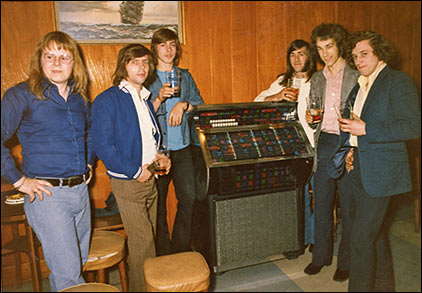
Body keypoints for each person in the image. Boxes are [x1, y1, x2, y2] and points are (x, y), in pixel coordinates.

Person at [1, 31, 94, 292]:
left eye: (64, 57)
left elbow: (90, 130)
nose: (56, 63)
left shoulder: (79, 97)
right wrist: (19, 180)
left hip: (80, 193)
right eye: (49, 56)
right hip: (47, 196)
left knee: (73, 268)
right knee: (69, 277)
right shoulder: (21, 95)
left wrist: (88, 162)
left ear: (74, 62)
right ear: (39, 60)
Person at [328, 31, 421, 292]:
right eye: (355, 56)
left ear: (380, 52)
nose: (358, 60)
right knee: (375, 236)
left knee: (360, 238)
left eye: (364, 54)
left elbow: (413, 126)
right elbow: (355, 124)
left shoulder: (398, 81)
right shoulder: (360, 84)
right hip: (357, 167)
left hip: (383, 172)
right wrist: (350, 147)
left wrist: (367, 130)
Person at [91, 44, 170, 291]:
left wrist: (161, 157)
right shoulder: (107, 100)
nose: (142, 67)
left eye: (146, 62)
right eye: (135, 62)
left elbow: (147, 140)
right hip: (128, 182)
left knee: (148, 243)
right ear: (123, 65)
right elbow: (104, 147)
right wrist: (136, 171)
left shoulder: (145, 97)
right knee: (144, 245)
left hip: (151, 179)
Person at [303, 23, 360, 282]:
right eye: (320, 49)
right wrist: (311, 118)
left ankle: (346, 262)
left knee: (349, 207)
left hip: (349, 143)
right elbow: (315, 115)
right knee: (322, 203)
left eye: (329, 47)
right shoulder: (317, 78)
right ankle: (320, 257)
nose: (325, 53)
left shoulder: (356, 74)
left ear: (339, 45)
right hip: (325, 142)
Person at [254, 39, 317, 250]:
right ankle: (298, 239)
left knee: (319, 193)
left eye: (301, 54)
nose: (297, 59)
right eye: (293, 55)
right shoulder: (283, 80)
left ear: (309, 57)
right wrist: (277, 95)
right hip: (289, 146)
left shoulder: (318, 80)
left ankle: (315, 239)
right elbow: (256, 103)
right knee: (295, 195)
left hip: (315, 144)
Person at [147, 28, 205, 256]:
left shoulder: (185, 76)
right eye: (163, 45)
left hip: (182, 148)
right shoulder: (147, 77)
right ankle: (162, 253)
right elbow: (141, 114)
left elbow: (199, 103)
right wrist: (159, 98)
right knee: (158, 205)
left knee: (189, 198)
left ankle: (180, 249)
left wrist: (184, 105)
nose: (169, 49)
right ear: (155, 49)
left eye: (172, 44)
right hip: (156, 151)